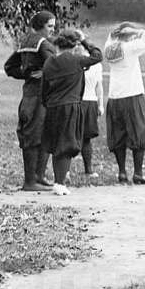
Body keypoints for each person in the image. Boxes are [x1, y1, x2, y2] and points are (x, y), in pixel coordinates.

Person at [41, 30, 103, 195]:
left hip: (53, 107)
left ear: (57, 45)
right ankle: (60, 183)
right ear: (74, 45)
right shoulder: (77, 60)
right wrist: (84, 40)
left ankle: (58, 180)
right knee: (67, 144)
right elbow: (98, 55)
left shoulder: (48, 62)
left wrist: (47, 104)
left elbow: (44, 89)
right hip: (71, 106)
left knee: (56, 145)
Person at [5, 11, 57, 191]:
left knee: (40, 134)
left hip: (29, 94)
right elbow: (56, 66)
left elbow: (9, 67)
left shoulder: (25, 42)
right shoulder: (43, 44)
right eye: (50, 26)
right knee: (35, 135)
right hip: (40, 97)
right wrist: (42, 74)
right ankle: (30, 181)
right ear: (40, 26)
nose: (53, 29)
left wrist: (26, 74)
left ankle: (39, 176)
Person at [103, 22, 145, 184]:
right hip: (132, 94)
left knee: (118, 133)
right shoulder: (130, 48)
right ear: (129, 35)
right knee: (139, 133)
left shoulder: (109, 47)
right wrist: (136, 31)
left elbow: (110, 38)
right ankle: (138, 173)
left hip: (115, 96)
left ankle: (121, 172)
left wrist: (116, 33)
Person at [79, 39, 105, 179]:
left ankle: (88, 169)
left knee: (86, 138)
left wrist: (101, 104)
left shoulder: (96, 65)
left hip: (90, 101)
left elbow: (99, 86)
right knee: (73, 136)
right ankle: (65, 171)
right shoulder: (76, 61)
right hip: (77, 101)